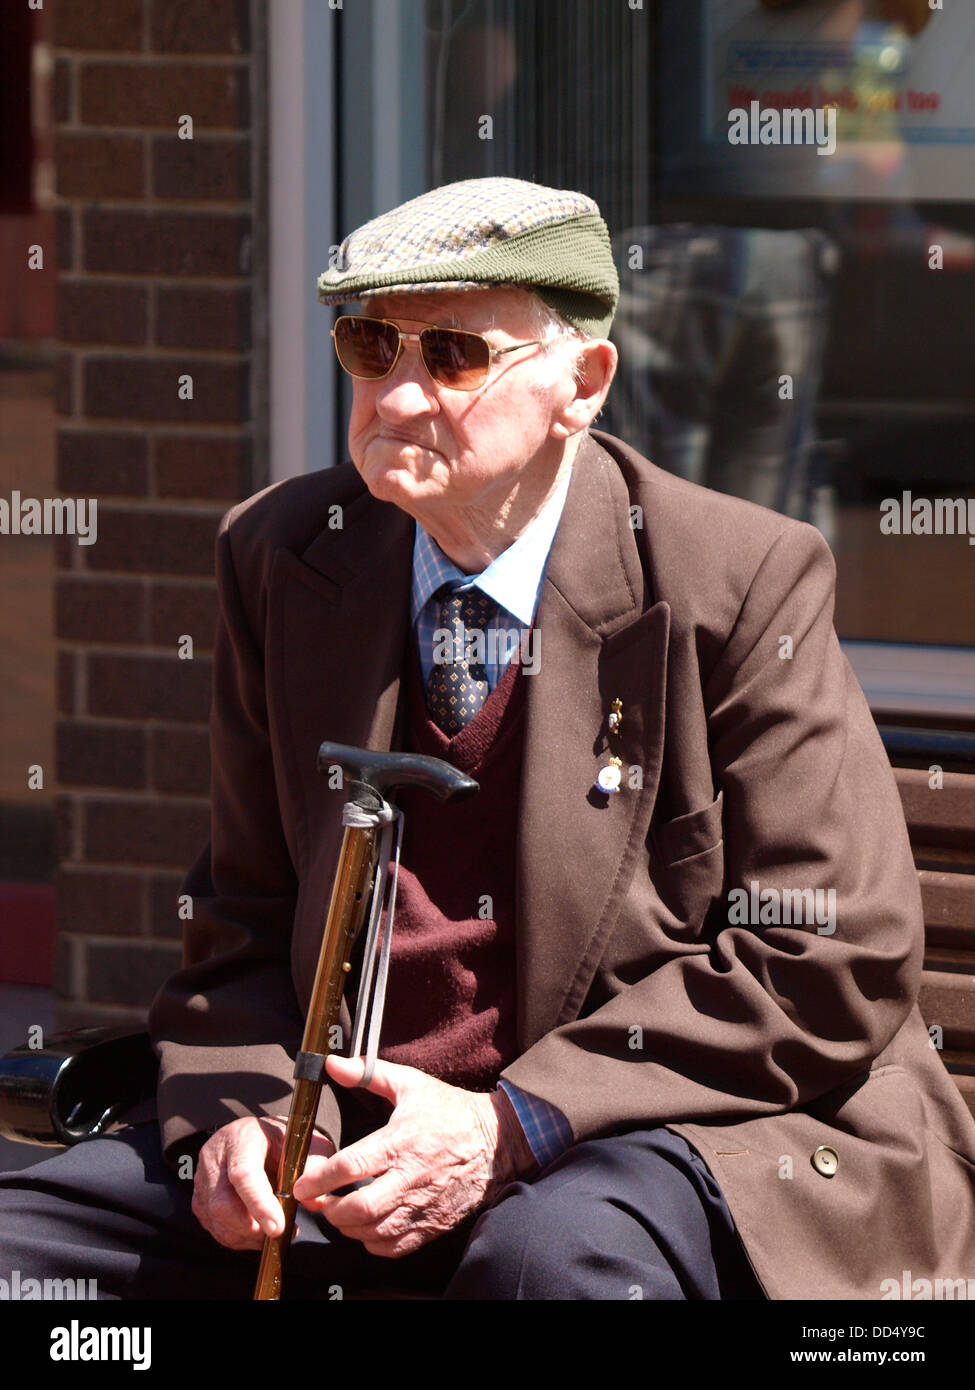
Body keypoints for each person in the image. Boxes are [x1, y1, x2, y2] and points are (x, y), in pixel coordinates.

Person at [1, 176, 973, 1301]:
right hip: (348, 1145)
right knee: (26, 1253)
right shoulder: (284, 554)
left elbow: (830, 958)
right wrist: (252, 1117)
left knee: (545, 1265)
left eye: (454, 354)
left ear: (583, 383)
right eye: (371, 346)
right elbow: (244, 920)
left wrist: (512, 1121)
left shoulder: (738, 579)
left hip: (649, 1126)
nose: (397, 397)